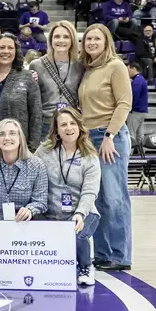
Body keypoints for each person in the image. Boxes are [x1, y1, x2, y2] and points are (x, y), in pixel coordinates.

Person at [78, 23, 132, 271]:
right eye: (88, 39)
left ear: (106, 41)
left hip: (110, 136)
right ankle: (102, 253)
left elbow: (124, 104)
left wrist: (110, 135)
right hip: (88, 139)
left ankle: (120, 256)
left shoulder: (116, 66)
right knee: (96, 200)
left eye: (96, 39)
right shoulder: (88, 70)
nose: (92, 43)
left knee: (114, 198)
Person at [34, 107, 102, 286]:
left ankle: (86, 267)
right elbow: (31, 171)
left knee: (76, 234)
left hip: (83, 213)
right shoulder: (45, 150)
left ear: (80, 127)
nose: (69, 128)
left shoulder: (90, 156)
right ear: (56, 130)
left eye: (73, 123)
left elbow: (90, 191)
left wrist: (80, 213)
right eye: (63, 124)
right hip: (51, 213)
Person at [0, 32, 42, 151]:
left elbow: (36, 116)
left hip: (18, 147)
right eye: (1, 47)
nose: (6, 51)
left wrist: (32, 148)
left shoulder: (28, 77)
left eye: (10, 48)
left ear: (16, 52)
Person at [0, 119, 48, 225]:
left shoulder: (37, 165)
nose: (7, 138)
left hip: (25, 225)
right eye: (1, 134)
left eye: (12, 133)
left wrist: (30, 210)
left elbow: (40, 202)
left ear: (20, 138)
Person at [29, 20, 84, 141]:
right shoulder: (36, 65)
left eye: (66, 37)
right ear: (51, 40)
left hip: (71, 125)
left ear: (72, 40)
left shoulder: (81, 66)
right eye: (57, 36)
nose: (61, 40)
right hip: (45, 125)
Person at [126, 61, 148, 143]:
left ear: (133, 68)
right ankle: (140, 152)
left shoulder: (137, 81)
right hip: (143, 111)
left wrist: (129, 108)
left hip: (136, 111)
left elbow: (134, 95)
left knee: (131, 134)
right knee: (139, 134)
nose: (127, 72)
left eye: (128, 70)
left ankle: (130, 154)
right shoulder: (141, 79)